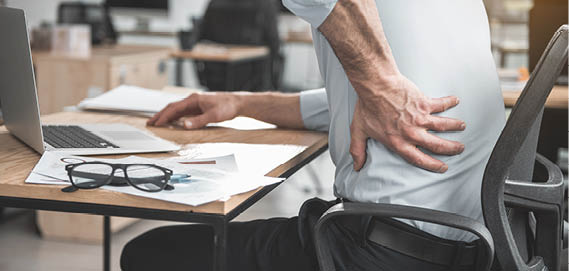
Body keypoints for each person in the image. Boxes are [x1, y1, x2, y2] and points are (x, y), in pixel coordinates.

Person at [120, 0, 505, 270]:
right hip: (475, 245)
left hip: (376, 251)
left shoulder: (383, 75)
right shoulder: (463, 8)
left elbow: (383, 98)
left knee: (148, 254)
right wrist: (239, 103)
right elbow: (360, 106)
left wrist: (380, 83)